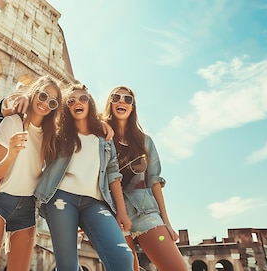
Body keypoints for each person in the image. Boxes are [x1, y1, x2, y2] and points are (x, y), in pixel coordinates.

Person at [34, 83, 134, 271]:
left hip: (95, 203)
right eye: (71, 101)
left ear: (90, 103)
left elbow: (113, 174)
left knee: (122, 257)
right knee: (68, 267)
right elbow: (35, 119)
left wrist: (121, 211)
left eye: (83, 99)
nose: (77, 103)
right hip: (60, 199)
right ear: (66, 108)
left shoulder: (105, 138)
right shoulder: (58, 135)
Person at [0, 75, 62, 271]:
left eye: (53, 102)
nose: (46, 103)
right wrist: (11, 155)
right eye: (43, 96)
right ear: (35, 92)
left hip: (28, 209)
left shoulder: (49, 137)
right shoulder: (12, 122)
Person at [102, 86, 188, 271]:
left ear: (133, 107)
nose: (121, 101)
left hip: (145, 211)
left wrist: (166, 222)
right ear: (110, 103)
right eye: (116, 97)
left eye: (128, 99)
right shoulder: (100, 137)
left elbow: (154, 182)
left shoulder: (146, 141)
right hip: (112, 212)